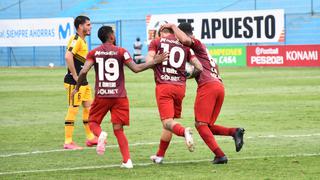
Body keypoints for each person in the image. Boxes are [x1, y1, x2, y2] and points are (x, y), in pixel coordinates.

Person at [72, 26, 168, 168]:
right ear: (111, 37)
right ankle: (127, 161)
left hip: (102, 95)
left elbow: (84, 70)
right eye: (114, 34)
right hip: (120, 96)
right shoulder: (121, 51)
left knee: (92, 121)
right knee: (118, 129)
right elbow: (136, 68)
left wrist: (77, 87)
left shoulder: (94, 52)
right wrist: (155, 61)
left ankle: (101, 134)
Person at [162, 22, 245, 164]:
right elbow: (214, 66)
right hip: (218, 85)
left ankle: (220, 156)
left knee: (200, 125)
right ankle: (234, 132)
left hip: (208, 87)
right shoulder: (202, 49)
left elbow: (186, 40)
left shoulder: (194, 43)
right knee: (208, 126)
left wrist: (174, 27)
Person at [146, 25, 203, 164]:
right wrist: (185, 75)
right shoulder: (185, 46)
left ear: (162, 32)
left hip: (164, 86)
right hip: (180, 88)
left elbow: (148, 62)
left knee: (167, 122)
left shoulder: (157, 42)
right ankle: (160, 156)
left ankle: (184, 131)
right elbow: (199, 67)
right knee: (169, 123)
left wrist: (156, 62)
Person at [63, 15, 97, 150]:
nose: (90, 27)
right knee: (73, 109)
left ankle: (90, 138)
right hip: (74, 82)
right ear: (80, 26)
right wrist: (75, 76)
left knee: (89, 107)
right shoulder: (76, 39)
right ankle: (68, 141)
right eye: (88, 25)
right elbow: (68, 56)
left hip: (83, 82)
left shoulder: (82, 41)